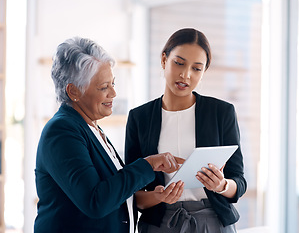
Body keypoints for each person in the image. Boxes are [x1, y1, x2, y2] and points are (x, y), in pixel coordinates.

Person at [34, 37, 184, 233]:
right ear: (73, 91)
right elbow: (96, 202)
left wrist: (156, 196)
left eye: (113, 83)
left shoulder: (91, 128)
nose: (113, 93)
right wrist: (148, 164)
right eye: (104, 87)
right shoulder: (62, 131)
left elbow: (113, 193)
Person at [125, 28, 247, 233]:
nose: (185, 74)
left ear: (203, 73)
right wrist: (158, 196)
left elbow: (239, 182)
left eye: (196, 68)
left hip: (212, 222)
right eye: (179, 63)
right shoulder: (140, 118)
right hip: (159, 223)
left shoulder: (222, 112)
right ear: (164, 60)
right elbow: (130, 190)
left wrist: (221, 185)